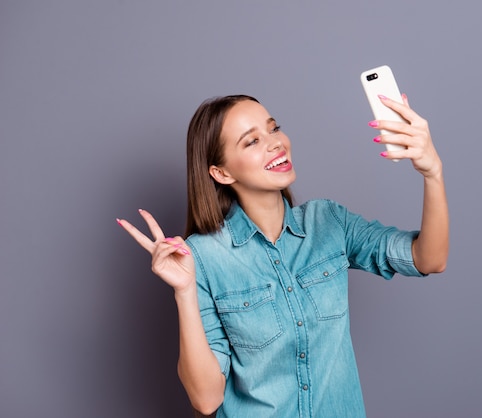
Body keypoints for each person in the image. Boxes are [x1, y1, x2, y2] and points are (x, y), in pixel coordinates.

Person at [117, 93, 449, 417]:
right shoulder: (202, 257)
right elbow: (206, 400)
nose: (275, 143)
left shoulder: (329, 222)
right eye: (252, 141)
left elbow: (427, 259)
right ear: (221, 173)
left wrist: (432, 172)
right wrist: (184, 291)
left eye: (274, 129)